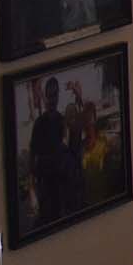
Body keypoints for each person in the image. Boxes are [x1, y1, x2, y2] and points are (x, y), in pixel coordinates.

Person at [26, 76, 78, 224]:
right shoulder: (39, 123)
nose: (52, 99)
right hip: (45, 184)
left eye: (54, 94)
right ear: (46, 96)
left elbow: (68, 153)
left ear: (58, 96)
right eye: (50, 95)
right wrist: (31, 189)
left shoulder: (62, 121)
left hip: (60, 185)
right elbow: (32, 156)